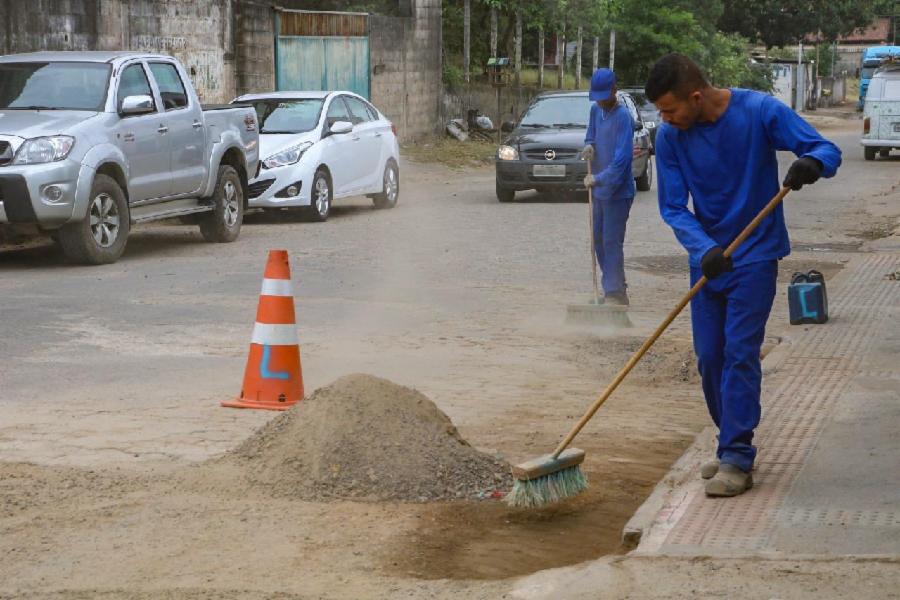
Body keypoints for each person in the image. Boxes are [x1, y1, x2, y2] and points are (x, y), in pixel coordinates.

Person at [645, 54, 841, 497]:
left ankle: (736, 454)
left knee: (738, 352)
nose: (665, 119)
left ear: (695, 97)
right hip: (710, 260)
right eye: (661, 112)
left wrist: (813, 164)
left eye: (670, 109)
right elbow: (673, 207)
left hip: (754, 257)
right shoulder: (671, 138)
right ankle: (728, 436)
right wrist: (704, 248)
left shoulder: (760, 112)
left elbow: (826, 149)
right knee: (708, 357)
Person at [580, 68, 636, 306]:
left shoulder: (624, 117)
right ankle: (614, 287)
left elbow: (622, 162)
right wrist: (588, 146)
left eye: (605, 96)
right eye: (598, 97)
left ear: (614, 90)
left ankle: (614, 293)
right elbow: (590, 136)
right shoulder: (596, 111)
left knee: (612, 240)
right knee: (598, 240)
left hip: (618, 191)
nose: (601, 101)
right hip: (600, 191)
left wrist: (599, 178)